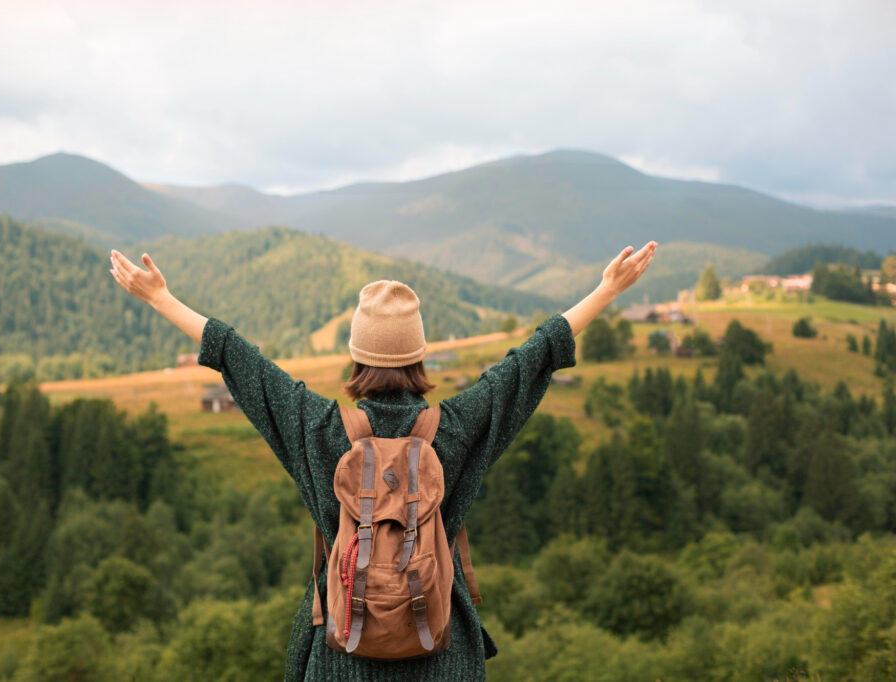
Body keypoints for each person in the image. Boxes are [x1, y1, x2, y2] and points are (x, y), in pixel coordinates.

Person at [109, 240, 658, 680]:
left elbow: (239, 359)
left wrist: (159, 297)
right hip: (443, 651)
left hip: (341, 651)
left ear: (356, 355)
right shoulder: (459, 426)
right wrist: (607, 290)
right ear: (418, 355)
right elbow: (532, 358)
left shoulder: (319, 428)